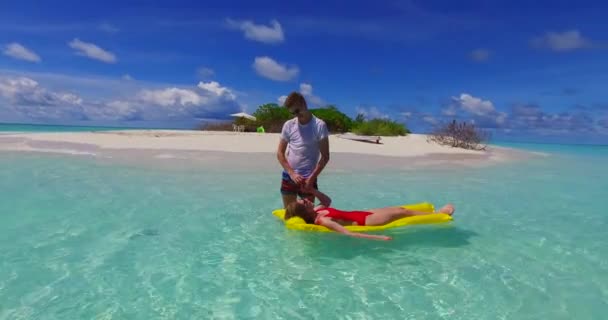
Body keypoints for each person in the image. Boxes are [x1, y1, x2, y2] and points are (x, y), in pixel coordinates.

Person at [284, 187, 455, 241]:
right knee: (402, 212)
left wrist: (313, 190)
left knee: (399, 208)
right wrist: (379, 238)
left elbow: (327, 201)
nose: (306, 199)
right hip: (367, 221)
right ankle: (440, 214)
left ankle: (430, 211)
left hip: (361, 213)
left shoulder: (318, 209)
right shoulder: (322, 220)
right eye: (303, 202)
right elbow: (349, 234)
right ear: (305, 211)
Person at [277, 91, 330, 208]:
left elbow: (325, 157)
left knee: (308, 216)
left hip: (309, 179)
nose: (296, 115)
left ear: (304, 103)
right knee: (289, 215)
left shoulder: (319, 125)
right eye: (292, 113)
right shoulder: (288, 125)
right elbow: (280, 153)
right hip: (289, 177)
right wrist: (292, 173)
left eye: (297, 111)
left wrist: (311, 178)